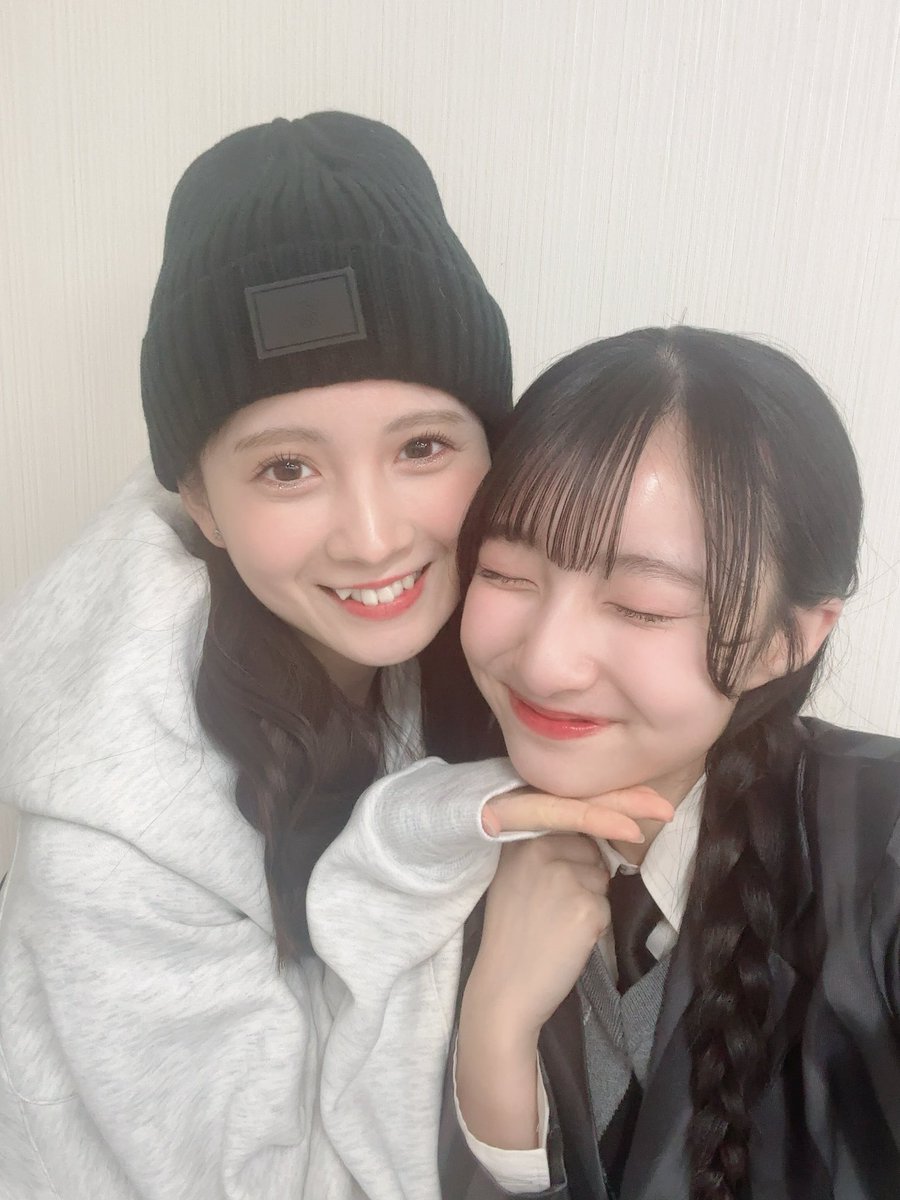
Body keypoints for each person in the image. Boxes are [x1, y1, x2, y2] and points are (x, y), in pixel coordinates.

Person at [0, 113, 667, 1200]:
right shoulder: (115, 836)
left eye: (422, 447)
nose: (371, 536)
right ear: (199, 500)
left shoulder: (463, 643)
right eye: (286, 470)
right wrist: (488, 1009)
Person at [308, 326, 900, 1200]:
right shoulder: (431, 859)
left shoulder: (879, 847)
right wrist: (495, 1043)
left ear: (787, 640)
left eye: (643, 606)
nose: (546, 662)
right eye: (507, 573)